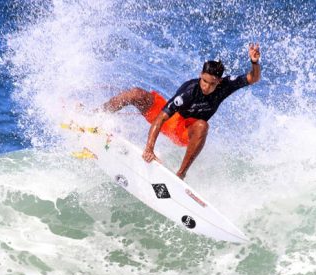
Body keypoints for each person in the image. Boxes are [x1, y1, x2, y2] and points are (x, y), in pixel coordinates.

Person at [103, 43, 261, 179]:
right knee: (136, 93)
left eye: (211, 84)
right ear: (200, 75)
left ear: (218, 81)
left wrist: (254, 62)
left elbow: (253, 78)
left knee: (202, 126)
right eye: (204, 81)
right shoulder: (189, 91)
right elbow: (160, 119)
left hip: (185, 132)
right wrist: (149, 148)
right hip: (171, 123)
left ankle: (181, 174)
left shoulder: (225, 86)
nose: (206, 86)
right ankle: (97, 113)